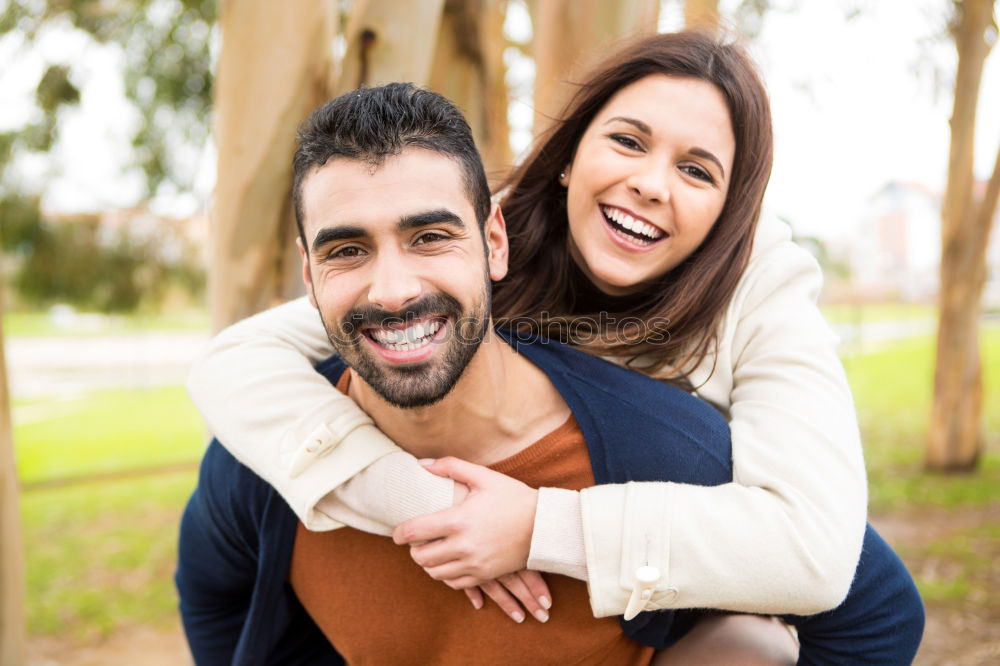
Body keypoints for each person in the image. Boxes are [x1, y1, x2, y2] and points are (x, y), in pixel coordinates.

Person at [186, 32, 924, 659]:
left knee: (749, 643)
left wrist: (539, 528)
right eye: (628, 141)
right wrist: (428, 504)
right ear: (571, 154)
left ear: (731, 211)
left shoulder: (761, 300)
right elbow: (239, 364)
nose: (650, 183)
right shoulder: (456, 244)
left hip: (655, 598)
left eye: (696, 170)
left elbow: (823, 559)